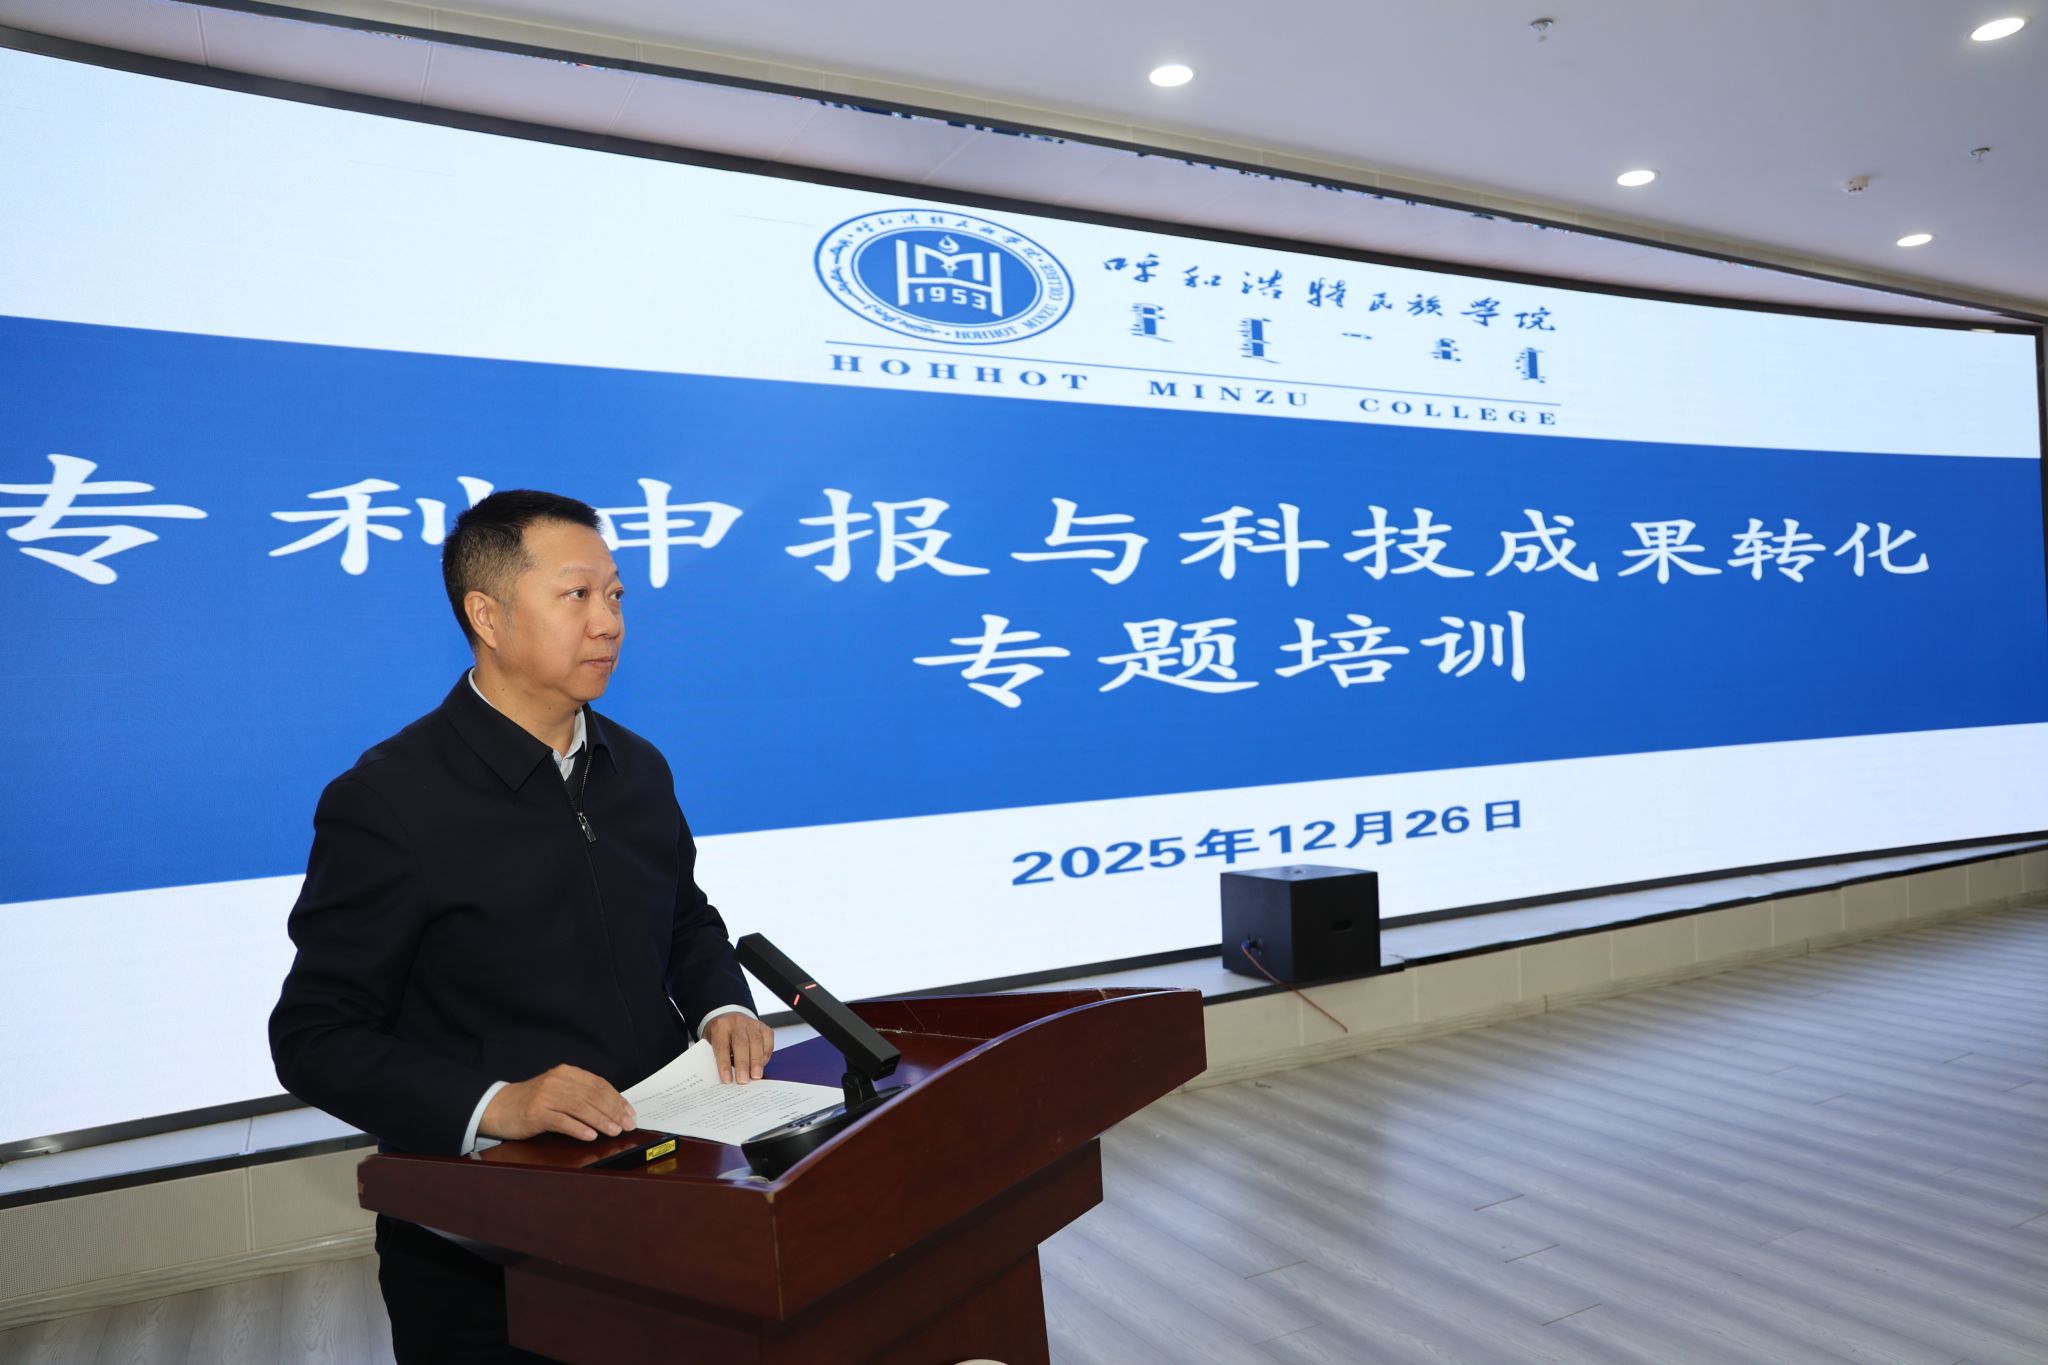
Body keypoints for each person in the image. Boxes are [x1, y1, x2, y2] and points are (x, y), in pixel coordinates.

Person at [269, 489, 775, 1363]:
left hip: (667, 1191)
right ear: (488, 616)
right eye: (577, 595)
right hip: (486, 1242)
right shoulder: (387, 801)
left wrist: (720, 1005)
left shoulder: (636, 766)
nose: (608, 621)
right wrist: (499, 1104)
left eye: (615, 595)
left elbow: (684, 915)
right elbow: (314, 1037)